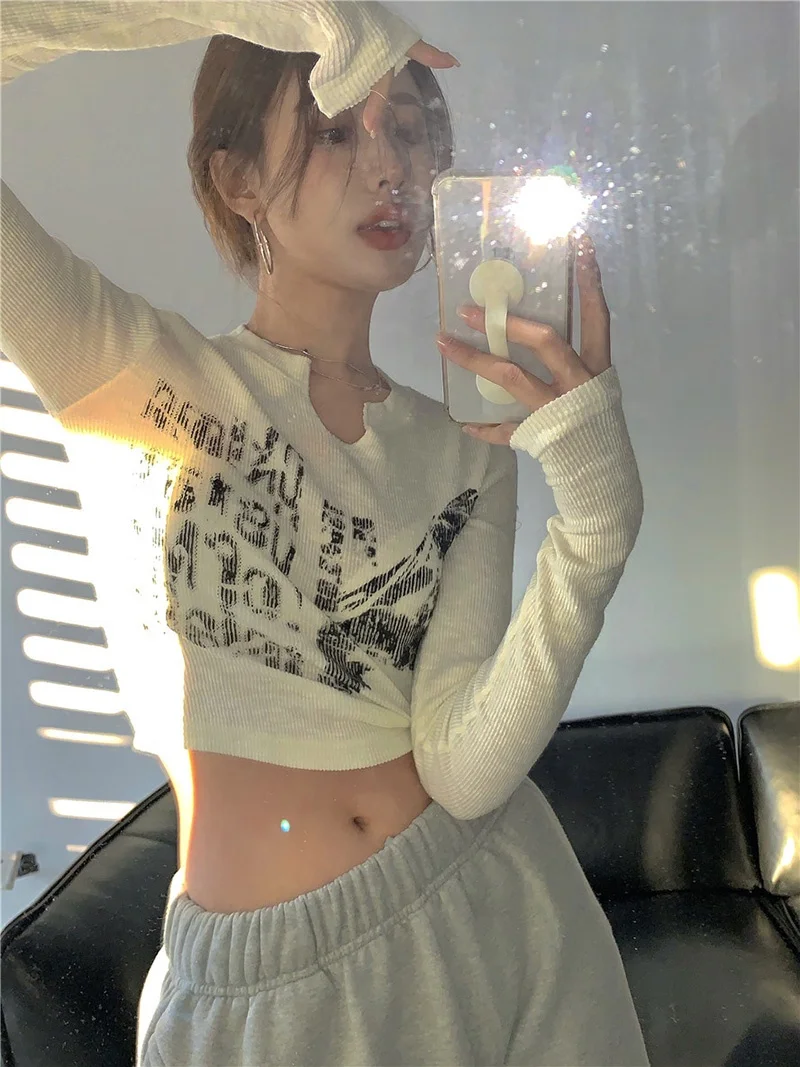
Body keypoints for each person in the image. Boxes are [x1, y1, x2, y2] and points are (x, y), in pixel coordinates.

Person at [1, 2, 649, 1065]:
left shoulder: (468, 449)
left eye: (412, 131)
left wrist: (599, 517)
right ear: (236, 179)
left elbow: (462, 764)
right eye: (337, 128)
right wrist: (277, 11)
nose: (391, 166)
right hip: (256, 990)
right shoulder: (130, 375)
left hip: (498, 904)